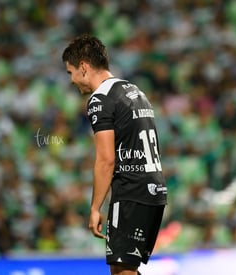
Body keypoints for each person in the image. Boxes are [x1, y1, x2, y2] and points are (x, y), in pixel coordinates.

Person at [62, 34, 167, 275]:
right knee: (126, 268)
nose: (71, 80)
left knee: (121, 270)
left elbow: (106, 159)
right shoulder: (133, 90)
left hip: (132, 191)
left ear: (84, 67)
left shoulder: (100, 99)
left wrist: (95, 207)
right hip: (154, 188)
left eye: (70, 73)